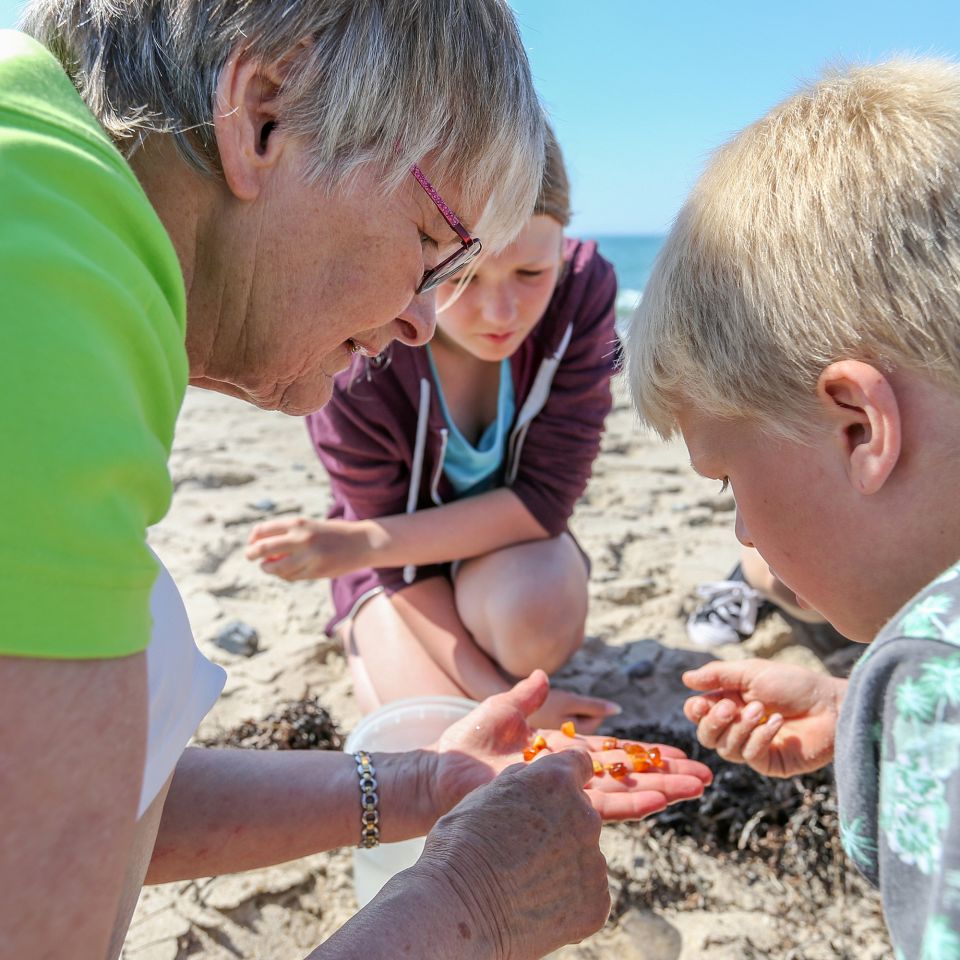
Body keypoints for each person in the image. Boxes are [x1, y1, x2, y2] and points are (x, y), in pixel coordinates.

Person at [1, 3, 712, 958]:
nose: (425, 318)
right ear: (265, 114)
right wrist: (475, 908)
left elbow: (88, 794)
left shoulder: (55, 201)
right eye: (432, 245)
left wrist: (424, 783)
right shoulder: (43, 280)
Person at [625, 57, 960, 956]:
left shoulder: (933, 667)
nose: (741, 531)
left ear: (859, 428)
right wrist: (862, 714)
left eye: (730, 482)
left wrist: (908, 702)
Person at [247, 127, 620, 732]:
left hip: (493, 549)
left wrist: (358, 544)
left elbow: (546, 499)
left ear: (562, 248)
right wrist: (500, 698)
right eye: (461, 277)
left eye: (531, 273)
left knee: (538, 617)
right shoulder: (361, 344)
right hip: (393, 560)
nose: (500, 315)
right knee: (424, 731)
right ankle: (362, 630)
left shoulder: (585, 291)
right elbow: (390, 552)